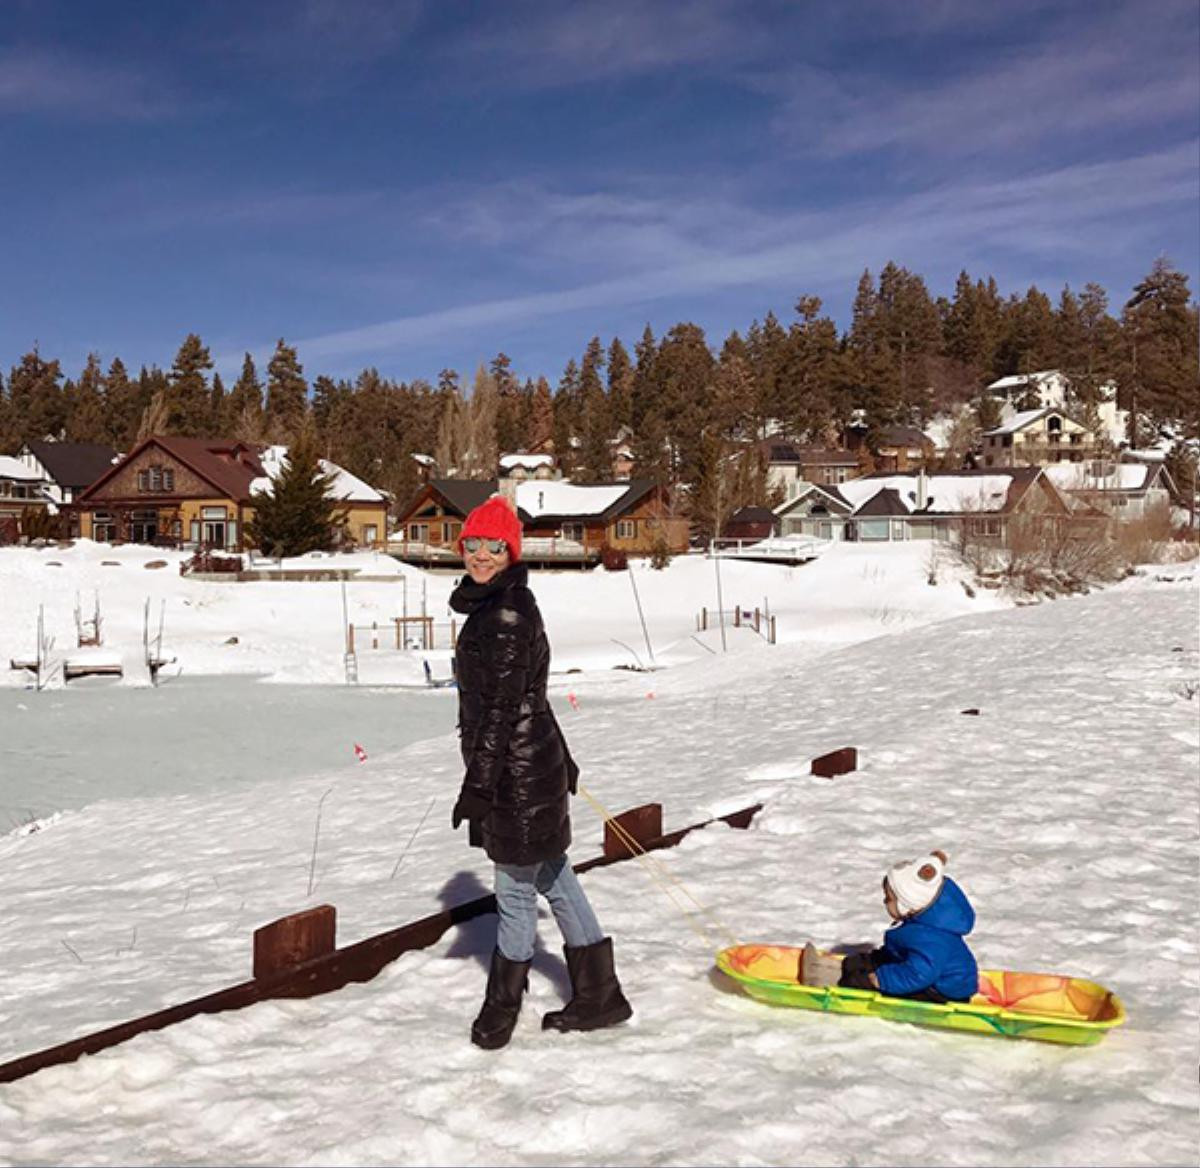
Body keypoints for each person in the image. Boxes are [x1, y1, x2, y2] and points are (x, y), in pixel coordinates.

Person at [448, 494, 633, 1049]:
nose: (481, 556)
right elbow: (533, 697)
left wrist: (479, 786)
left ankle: (500, 1011)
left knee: (515, 890)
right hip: (533, 762)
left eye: (493, 547)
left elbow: (504, 711)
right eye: (472, 545)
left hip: (515, 773)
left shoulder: (503, 613)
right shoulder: (501, 602)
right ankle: (600, 995)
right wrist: (563, 759)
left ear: (511, 552)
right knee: (553, 873)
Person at [801, 850, 978, 1003]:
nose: (885, 902)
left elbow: (921, 973)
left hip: (939, 992)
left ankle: (824, 980)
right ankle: (831, 967)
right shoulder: (922, 921)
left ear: (908, 903)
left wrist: (883, 979)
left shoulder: (933, 938)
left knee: (863, 982)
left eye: (889, 899)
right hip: (921, 974)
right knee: (865, 962)